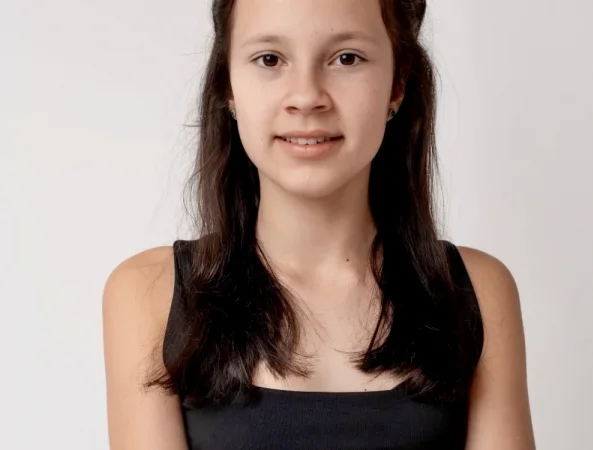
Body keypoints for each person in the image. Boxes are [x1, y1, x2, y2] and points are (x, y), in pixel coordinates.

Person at [102, 0, 536, 448]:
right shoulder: (149, 293)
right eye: (270, 59)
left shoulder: (478, 291)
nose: (307, 96)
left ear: (398, 83)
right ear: (227, 86)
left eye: (347, 58)